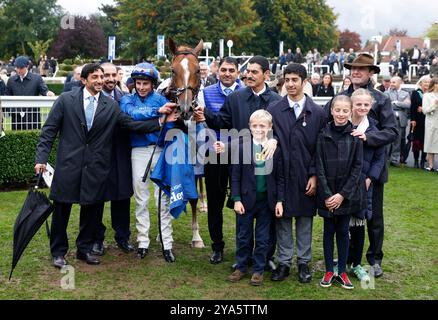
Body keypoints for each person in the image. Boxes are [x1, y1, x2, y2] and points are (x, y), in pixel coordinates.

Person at [34, 63, 177, 269]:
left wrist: (160, 123)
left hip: (95, 167)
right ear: (84, 80)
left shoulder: (110, 105)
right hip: (68, 164)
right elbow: (49, 131)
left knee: (90, 211)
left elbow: (130, 124)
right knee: (62, 209)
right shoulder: (66, 100)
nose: (100, 81)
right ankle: (58, 252)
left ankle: (84, 249)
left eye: (102, 77)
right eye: (95, 77)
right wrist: (41, 158)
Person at [194, 55, 281, 271]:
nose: (248, 75)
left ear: (266, 75)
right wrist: (204, 113)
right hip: (233, 160)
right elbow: (222, 122)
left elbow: (281, 130)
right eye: (247, 71)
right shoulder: (235, 97)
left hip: (264, 164)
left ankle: (266, 254)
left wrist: (275, 140)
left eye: (254, 72)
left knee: (265, 209)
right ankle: (223, 248)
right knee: (228, 205)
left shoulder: (277, 101)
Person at [325, 53, 397, 278]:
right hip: (344, 170)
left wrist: (367, 138)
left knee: (373, 217)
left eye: (361, 69)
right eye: (353, 68)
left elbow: (392, 131)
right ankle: (347, 257)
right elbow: (325, 120)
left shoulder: (380, 99)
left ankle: (374, 258)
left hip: (372, 171)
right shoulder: (341, 97)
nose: (356, 72)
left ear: (370, 73)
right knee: (345, 216)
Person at [267, 63, 327, 283]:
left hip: (305, 175)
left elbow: (320, 148)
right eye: (287, 80)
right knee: (282, 220)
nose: (290, 84)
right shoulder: (274, 110)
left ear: (304, 81)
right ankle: (283, 262)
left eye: (295, 80)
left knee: (304, 220)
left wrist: (314, 175)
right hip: (281, 175)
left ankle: (303, 262)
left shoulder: (318, 113)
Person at [120, 63, 178, 263]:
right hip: (138, 151)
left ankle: (166, 242)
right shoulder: (127, 100)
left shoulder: (162, 98)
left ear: (153, 84)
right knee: (141, 198)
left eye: (145, 83)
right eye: (138, 83)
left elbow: (172, 120)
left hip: (160, 150)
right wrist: (158, 112)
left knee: (163, 198)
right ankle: (143, 241)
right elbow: (133, 116)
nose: (142, 87)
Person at [228, 110, 283, 286]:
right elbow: (235, 176)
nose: (258, 129)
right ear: (249, 127)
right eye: (255, 126)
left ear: (269, 127)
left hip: (266, 202)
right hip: (245, 201)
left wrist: (280, 201)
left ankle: (259, 269)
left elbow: (280, 178)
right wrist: (236, 199)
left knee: (262, 237)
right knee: (243, 235)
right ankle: (241, 266)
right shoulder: (242, 148)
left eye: (262, 126)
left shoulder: (275, 150)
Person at [197, 57, 242, 264]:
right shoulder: (206, 93)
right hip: (214, 153)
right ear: (217, 71)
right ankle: (217, 246)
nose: (227, 73)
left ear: (237, 72)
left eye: (231, 70)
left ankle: (244, 247)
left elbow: (230, 122)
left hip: (242, 154)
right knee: (215, 201)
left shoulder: (245, 92)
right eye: (223, 69)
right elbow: (203, 121)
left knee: (243, 200)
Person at [317, 95, 363, 290]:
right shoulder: (322, 135)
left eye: (345, 110)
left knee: (344, 232)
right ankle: (329, 270)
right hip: (327, 194)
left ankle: (342, 271)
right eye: (338, 110)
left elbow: (357, 168)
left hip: (346, 196)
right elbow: (319, 166)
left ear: (350, 111)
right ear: (332, 111)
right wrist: (328, 195)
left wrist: (342, 195)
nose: (341, 114)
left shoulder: (355, 137)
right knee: (328, 232)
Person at [91, 63, 135, 256]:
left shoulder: (125, 99)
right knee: (97, 198)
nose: (109, 79)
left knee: (122, 196)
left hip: (121, 153)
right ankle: (96, 238)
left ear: (118, 76)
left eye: (112, 75)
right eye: (105, 75)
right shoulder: (92, 99)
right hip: (98, 155)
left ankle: (123, 236)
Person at [347, 89, 385, 283]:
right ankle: (345, 260)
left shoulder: (375, 129)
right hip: (345, 182)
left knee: (361, 221)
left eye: (366, 105)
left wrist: (370, 178)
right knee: (344, 222)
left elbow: (380, 158)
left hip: (365, 182)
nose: (362, 108)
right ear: (352, 104)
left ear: (370, 106)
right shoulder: (342, 124)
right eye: (358, 104)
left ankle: (357, 262)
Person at [6, 56, 55, 130]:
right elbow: (7, 97)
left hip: (33, 117)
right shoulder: (11, 80)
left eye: (21, 68)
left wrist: (48, 93)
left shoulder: (37, 78)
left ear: (27, 67)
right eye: (16, 67)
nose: (18, 70)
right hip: (16, 118)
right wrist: (14, 111)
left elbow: (43, 90)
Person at [385, 76, 411, 166]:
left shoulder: (406, 93)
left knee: (398, 141)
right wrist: (401, 104)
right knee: (387, 140)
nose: (391, 84)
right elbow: (387, 105)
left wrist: (396, 102)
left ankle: (395, 160)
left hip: (401, 120)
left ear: (400, 83)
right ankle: (384, 159)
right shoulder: (386, 93)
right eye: (391, 82)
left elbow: (408, 105)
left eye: (394, 82)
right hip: (389, 120)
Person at [410, 75, 431, 169]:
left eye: (428, 82)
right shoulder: (415, 93)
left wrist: (424, 108)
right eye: (425, 82)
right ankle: (415, 161)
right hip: (417, 120)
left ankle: (423, 161)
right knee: (416, 141)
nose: (427, 84)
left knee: (425, 141)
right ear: (421, 83)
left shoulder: (432, 94)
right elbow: (413, 108)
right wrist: (412, 119)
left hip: (428, 120)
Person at [422, 77, 438, 171]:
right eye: (436, 83)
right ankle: (430, 165)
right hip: (431, 122)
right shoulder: (427, 95)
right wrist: (434, 105)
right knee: (430, 143)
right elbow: (425, 110)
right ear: (434, 85)